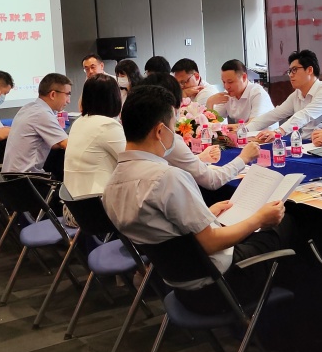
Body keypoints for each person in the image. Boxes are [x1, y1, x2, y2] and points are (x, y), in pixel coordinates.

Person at [103, 85, 291, 314]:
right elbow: (210, 243)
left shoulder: (111, 186)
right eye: (173, 127)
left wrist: (207, 214)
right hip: (221, 286)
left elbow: (166, 232)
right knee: (284, 221)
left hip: (179, 285)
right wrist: (259, 219)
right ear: (160, 131)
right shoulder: (167, 178)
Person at [137, 73, 260, 190]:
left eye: (230, 82)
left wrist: (200, 157)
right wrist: (244, 158)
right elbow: (212, 180)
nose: (226, 86)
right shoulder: (167, 139)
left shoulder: (140, 131)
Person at [246, 50, 322, 143]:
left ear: (309, 70)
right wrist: (244, 130)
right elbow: (275, 114)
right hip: (307, 142)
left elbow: (305, 115)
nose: (290, 75)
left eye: (294, 70)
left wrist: (278, 132)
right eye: (289, 71)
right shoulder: (297, 94)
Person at [63, 74, 125, 198]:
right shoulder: (107, 125)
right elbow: (132, 160)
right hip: (98, 202)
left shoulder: (79, 122)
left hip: (74, 202)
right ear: (114, 98)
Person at [2, 73, 71, 174]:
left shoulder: (29, 107)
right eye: (67, 94)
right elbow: (68, 145)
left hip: (12, 176)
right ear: (53, 94)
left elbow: (55, 144)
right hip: (24, 179)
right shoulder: (42, 114)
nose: (68, 101)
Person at [208, 59, 275, 129]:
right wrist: (210, 102)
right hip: (242, 134)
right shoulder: (228, 94)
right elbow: (212, 122)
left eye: (230, 82)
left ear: (244, 77)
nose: (226, 86)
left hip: (264, 134)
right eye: (224, 82)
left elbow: (253, 125)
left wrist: (224, 127)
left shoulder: (257, 93)